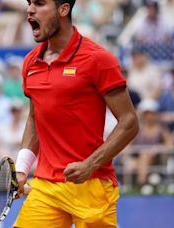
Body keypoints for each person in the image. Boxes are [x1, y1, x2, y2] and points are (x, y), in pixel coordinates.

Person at [13, 1, 139, 227]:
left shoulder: (99, 60)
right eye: (29, 3)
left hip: (92, 185)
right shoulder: (30, 62)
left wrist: (90, 164)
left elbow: (129, 122)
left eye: (40, 3)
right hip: (46, 186)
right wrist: (22, 169)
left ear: (63, 10)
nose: (30, 9)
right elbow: (34, 117)